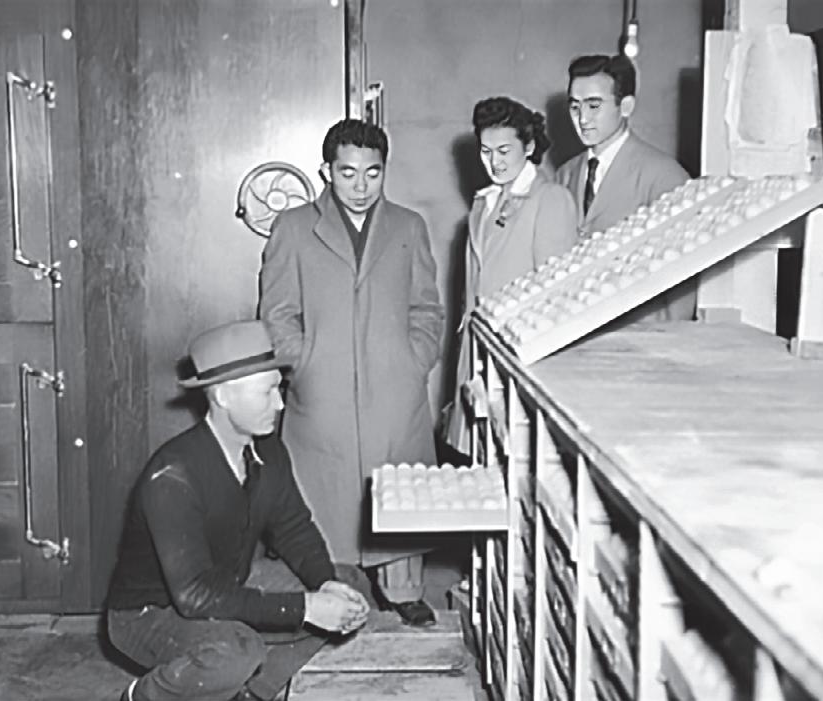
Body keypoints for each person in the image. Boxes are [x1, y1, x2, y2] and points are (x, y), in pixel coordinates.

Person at [106, 321, 371, 701]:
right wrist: (306, 608)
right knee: (236, 650)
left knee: (350, 587)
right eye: (267, 392)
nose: (280, 404)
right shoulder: (173, 475)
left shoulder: (268, 450)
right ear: (223, 396)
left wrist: (325, 583)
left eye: (279, 388)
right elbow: (195, 595)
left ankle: (252, 694)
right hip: (149, 614)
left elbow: (294, 528)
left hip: (226, 584)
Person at [258, 119, 444, 627]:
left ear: (385, 171)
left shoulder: (409, 226)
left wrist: (415, 359)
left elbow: (427, 308)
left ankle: (404, 591)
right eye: (347, 173)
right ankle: (330, 586)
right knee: (324, 495)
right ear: (327, 171)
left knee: (399, 483)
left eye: (372, 173)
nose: (360, 186)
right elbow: (277, 312)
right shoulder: (293, 227)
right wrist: (303, 362)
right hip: (323, 390)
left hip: (395, 387)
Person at [445, 96, 578, 454]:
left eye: (504, 150)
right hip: (477, 351)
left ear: (529, 146)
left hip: (520, 354)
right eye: (486, 151)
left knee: (515, 457)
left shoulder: (550, 199)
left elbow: (556, 298)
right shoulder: (483, 203)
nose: (495, 162)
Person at [556, 54, 695, 322]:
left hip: (639, 333)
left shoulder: (665, 176)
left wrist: (671, 337)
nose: (582, 118)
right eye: (574, 107)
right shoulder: (564, 175)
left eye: (594, 106)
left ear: (626, 106)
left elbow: (682, 280)